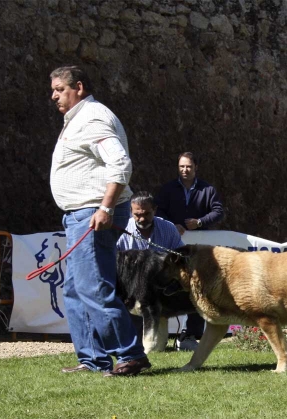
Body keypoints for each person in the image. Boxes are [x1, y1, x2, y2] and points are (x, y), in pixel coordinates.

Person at [49, 65, 150, 376]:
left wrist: (105, 208)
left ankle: (131, 355)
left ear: (78, 87)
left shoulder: (92, 118)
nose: (54, 95)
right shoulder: (78, 120)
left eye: (59, 89)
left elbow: (120, 163)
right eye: (52, 90)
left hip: (92, 212)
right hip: (82, 213)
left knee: (93, 287)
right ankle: (93, 359)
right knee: (77, 289)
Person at [155, 152, 224, 349]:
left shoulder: (208, 189)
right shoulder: (168, 189)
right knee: (171, 286)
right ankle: (161, 336)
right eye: (181, 167)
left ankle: (192, 335)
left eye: (189, 167)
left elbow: (218, 211)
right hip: (173, 248)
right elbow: (158, 210)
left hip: (200, 251)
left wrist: (200, 222)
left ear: (196, 168)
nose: (185, 170)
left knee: (198, 287)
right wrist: (171, 225)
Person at [116, 191, 185, 348]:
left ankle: (189, 336)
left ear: (155, 209)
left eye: (147, 214)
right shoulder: (121, 230)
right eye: (137, 215)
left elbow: (179, 258)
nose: (141, 219)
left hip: (161, 287)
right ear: (130, 212)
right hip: (130, 289)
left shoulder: (168, 228)